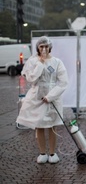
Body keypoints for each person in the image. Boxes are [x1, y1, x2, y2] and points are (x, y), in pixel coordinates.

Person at [16, 36, 69, 164]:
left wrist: (51, 96)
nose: (44, 49)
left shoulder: (57, 62)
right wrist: (40, 64)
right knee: (39, 126)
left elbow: (63, 82)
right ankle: (42, 152)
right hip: (37, 96)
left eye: (46, 46)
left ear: (50, 47)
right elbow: (31, 79)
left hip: (52, 97)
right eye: (41, 46)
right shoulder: (32, 61)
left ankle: (52, 152)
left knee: (52, 126)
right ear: (38, 48)